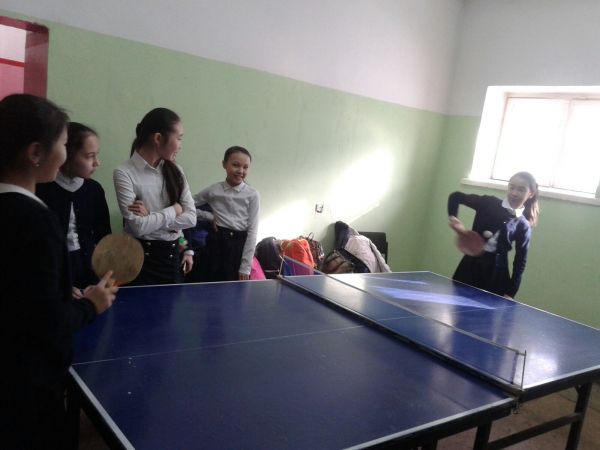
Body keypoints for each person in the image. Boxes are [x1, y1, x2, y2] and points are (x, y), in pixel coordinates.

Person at [0, 94, 117, 449]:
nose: (65, 154)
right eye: (64, 145)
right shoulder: (37, 220)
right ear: (36, 153)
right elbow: (46, 324)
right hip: (27, 388)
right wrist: (91, 304)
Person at [113, 108, 196, 285]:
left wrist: (151, 215)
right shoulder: (124, 173)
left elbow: (191, 218)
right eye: (179, 138)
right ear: (158, 138)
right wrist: (174, 210)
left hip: (171, 259)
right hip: (137, 259)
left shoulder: (176, 170)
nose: (180, 145)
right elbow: (138, 227)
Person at [37, 122, 111, 292]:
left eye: (96, 155)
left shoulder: (94, 190)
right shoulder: (41, 189)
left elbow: (104, 236)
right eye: (89, 156)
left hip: (88, 268)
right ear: (67, 155)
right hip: (54, 272)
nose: (97, 163)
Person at [447, 171, 539, 298]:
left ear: (531, 194)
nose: (514, 193)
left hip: (496, 278)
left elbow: (520, 261)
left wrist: (511, 292)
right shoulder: (488, 202)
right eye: (511, 187)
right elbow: (455, 197)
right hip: (468, 270)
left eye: (521, 190)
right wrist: (453, 218)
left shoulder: (524, 225)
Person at [193, 146, 259, 281]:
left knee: (232, 289)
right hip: (215, 244)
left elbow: (253, 231)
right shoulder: (214, 190)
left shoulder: (252, 195)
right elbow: (188, 205)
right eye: (235, 165)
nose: (240, 171)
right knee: (208, 285)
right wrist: (208, 216)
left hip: (238, 248)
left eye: (245, 167)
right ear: (224, 164)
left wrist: (245, 266)